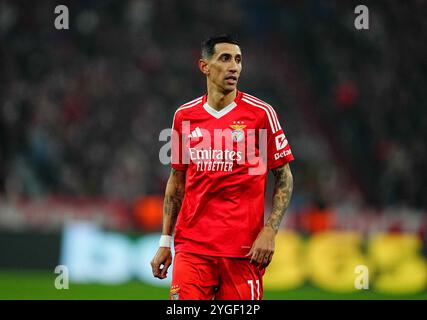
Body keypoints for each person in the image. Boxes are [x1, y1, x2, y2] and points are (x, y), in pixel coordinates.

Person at [150, 35, 294, 300]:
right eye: (225, 58)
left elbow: (284, 178)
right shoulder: (184, 116)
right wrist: (165, 241)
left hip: (243, 251)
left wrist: (270, 231)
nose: (234, 67)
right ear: (204, 66)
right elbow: (177, 181)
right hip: (192, 248)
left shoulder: (261, 114)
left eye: (238, 60)